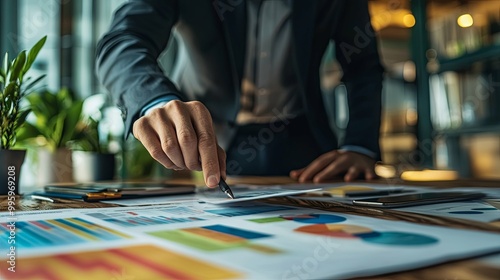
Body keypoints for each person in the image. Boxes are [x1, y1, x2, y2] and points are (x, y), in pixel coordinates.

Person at [96, 0, 384, 188]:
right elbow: (125, 40)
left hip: (302, 144)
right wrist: (153, 99)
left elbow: (363, 66)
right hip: (200, 141)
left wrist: (360, 146)